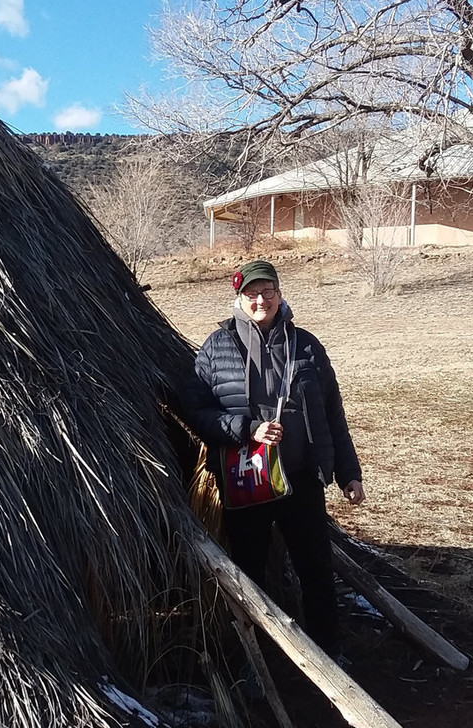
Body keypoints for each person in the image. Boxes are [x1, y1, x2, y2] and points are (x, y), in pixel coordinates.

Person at [184, 259, 365, 660]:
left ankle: (328, 654)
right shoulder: (217, 348)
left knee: (315, 568)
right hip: (246, 479)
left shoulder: (307, 346)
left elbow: (333, 414)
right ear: (240, 298)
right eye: (252, 293)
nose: (260, 300)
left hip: (301, 477)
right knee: (250, 572)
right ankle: (257, 660)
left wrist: (349, 473)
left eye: (268, 292)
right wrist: (247, 429)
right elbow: (196, 412)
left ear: (280, 295)